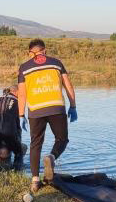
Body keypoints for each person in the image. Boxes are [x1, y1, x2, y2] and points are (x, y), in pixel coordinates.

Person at [17, 39, 77, 193]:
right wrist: (73, 106)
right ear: (45, 51)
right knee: (62, 139)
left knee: (35, 144)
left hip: (36, 110)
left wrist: (21, 114)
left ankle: (35, 181)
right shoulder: (56, 63)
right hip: (57, 107)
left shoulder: (24, 68)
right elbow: (68, 85)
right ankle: (51, 157)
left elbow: (22, 94)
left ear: (30, 52)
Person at [0, 85, 25, 171]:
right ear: (17, 92)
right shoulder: (17, 102)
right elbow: (17, 123)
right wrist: (18, 139)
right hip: (9, 131)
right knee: (18, 152)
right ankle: (17, 172)